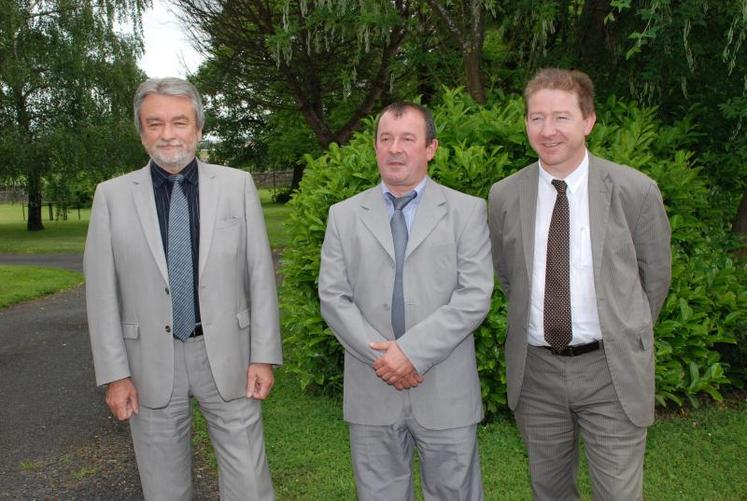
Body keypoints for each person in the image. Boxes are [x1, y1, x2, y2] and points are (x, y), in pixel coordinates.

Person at [84, 77, 281, 501]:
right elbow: (101, 295)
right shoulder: (111, 197)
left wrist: (264, 355)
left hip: (228, 355)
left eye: (179, 121)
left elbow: (259, 275)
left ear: (198, 129)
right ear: (141, 133)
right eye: (155, 124)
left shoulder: (237, 186)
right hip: (149, 364)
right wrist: (115, 375)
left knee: (249, 482)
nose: (168, 134)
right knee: (164, 488)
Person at [488, 68, 672, 500]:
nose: (547, 130)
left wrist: (622, 327)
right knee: (549, 491)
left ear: (588, 121)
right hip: (537, 374)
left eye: (561, 117)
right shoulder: (504, 196)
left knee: (618, 494)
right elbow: (507, 275)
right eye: (536, 117)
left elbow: (654, 279)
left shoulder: (635, 190)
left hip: (611, 370)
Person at [318, 102, 494, 500]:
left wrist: (411, 353)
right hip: (371, 386)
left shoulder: (467, 212)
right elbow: (333, 296)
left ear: (430, 148)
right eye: (386, 139)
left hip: (445, 389)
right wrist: (386, 359)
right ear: (376, 146)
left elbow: (473, 296)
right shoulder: (343, 216)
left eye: (407, 139)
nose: (395, 148)